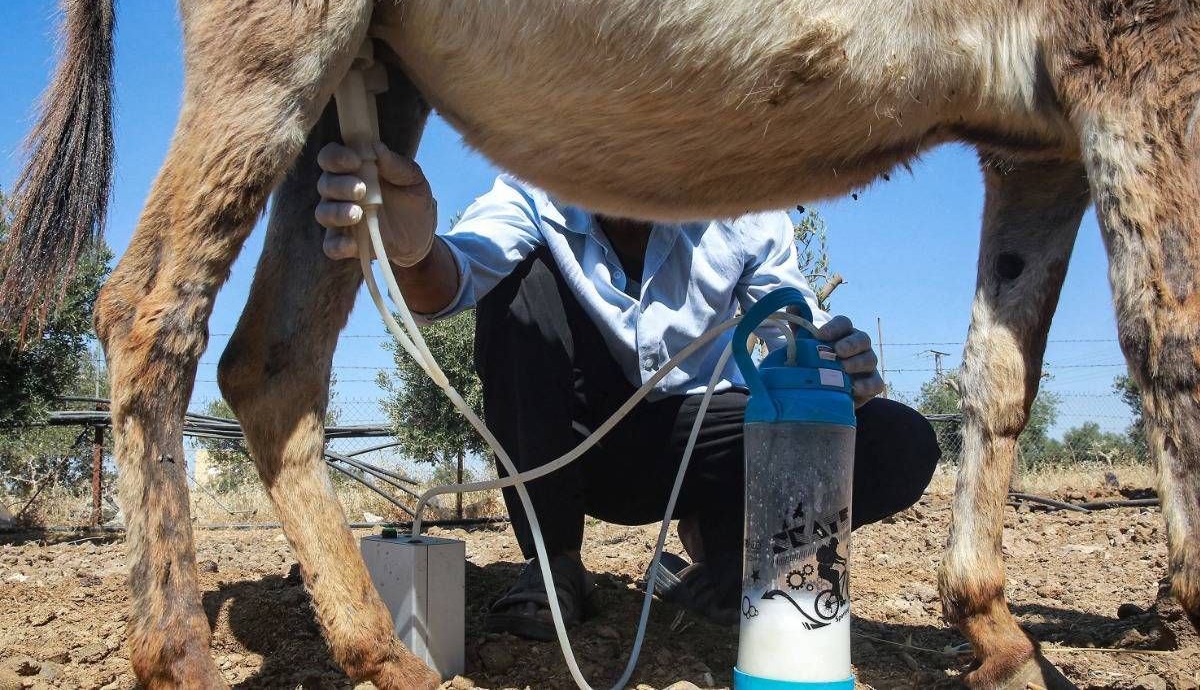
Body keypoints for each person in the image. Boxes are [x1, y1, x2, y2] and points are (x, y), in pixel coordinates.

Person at [315, 141, 940, 639]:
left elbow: (789, 332)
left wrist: (830, 374)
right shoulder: (536, 189)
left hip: (707, 446)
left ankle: (747, 566)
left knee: (900, 441)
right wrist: (414, 251)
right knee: (515, 284)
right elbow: (450, 278)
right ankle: (555, 564)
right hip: (581, 454)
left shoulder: (746, 207)